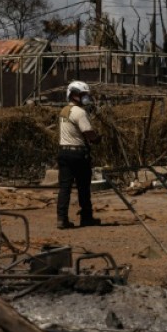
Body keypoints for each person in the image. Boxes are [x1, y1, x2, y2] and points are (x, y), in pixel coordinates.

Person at [56, 81, 101, 229]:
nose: (85, 98)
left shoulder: (63, 110)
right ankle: (86, 218)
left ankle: (62, 219)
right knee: (83, 187)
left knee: (64, 187)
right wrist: (96, 138)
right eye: (83, 95)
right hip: (78, 154)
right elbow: (88, 132)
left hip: (63, 152)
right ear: (74, 95)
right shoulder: (80, 112)